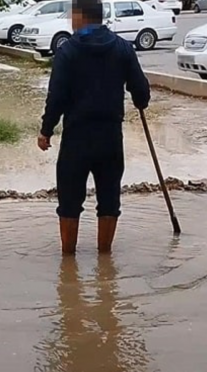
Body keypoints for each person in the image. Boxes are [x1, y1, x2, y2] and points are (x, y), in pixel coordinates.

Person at [37, 0, 151, 255]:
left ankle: (68, 261)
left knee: (69, 202)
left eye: (72, 15)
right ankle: (104, 259)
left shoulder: (67, 51)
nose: (71, 21)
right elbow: (141, 92)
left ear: (80, 16)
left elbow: (56, 98)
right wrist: (140, 99)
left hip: (76, 139)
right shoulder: (123, 48)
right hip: (110, 138)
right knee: (109, 201)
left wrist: (46, 130)